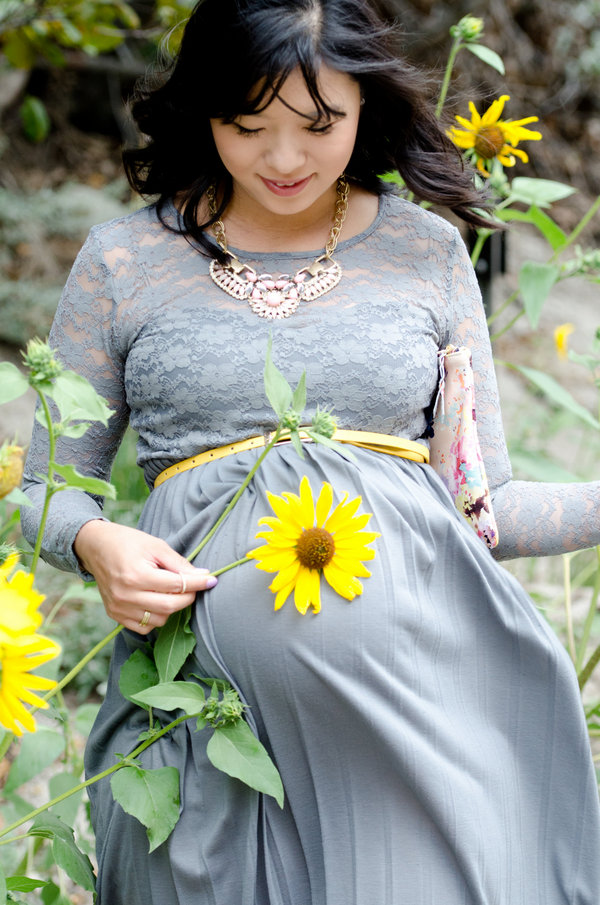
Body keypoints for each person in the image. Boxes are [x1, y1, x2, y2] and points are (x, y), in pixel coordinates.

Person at [21, 0, 600, 902]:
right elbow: (43, 489)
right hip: (196, 724)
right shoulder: (123, 262)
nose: (284, 159)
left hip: (415, 726)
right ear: (203, 110)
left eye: (319, 125)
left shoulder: (426, 252)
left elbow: (486, 507)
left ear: (366, 103)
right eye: (247, 126)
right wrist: (94, 542)